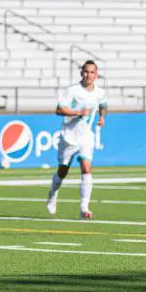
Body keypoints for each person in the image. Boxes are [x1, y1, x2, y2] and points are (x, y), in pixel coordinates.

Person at [46, 60, 107, 220]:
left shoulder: (99, 92)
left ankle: (84, 207)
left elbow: (103, 105)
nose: (89, 75)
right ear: (82, 73)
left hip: (86, 136)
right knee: (63, 171)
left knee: (87, 168)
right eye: (86, 72)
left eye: (92, 72)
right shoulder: (72, 91)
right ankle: (53, 193)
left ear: (97, 74)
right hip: (69, 136)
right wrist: (78, 113)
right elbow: (59, 109)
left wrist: (102, 118)